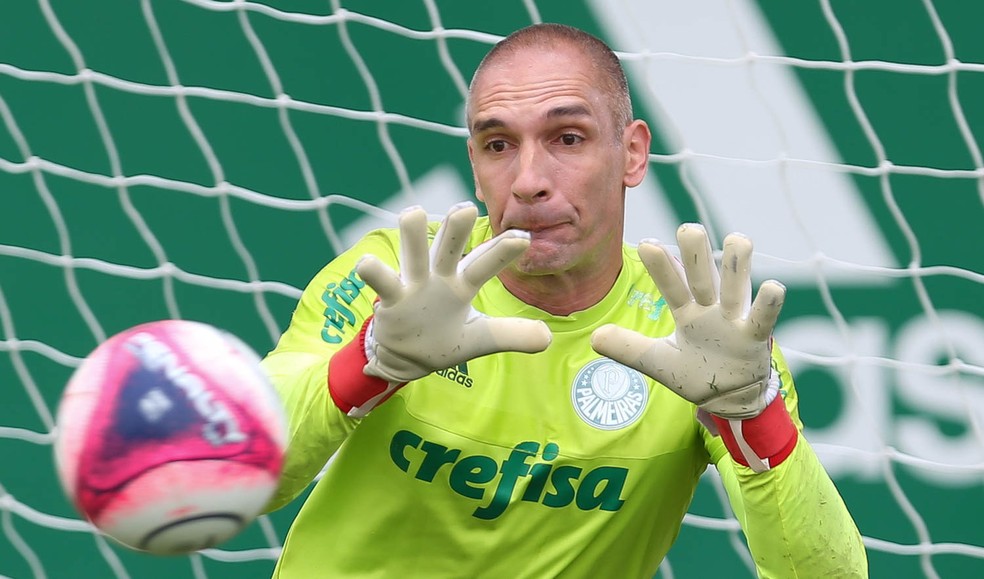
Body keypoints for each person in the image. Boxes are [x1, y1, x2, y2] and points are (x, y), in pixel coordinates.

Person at [260, 22, 868, 578]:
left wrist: (753, 415)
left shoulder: (701, 332)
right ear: (474, 164)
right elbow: (243, 465)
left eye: (567, 138)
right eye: (498, 145)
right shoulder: (396, 278)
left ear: (632, 153)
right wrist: (369, 364)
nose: (528, 181)